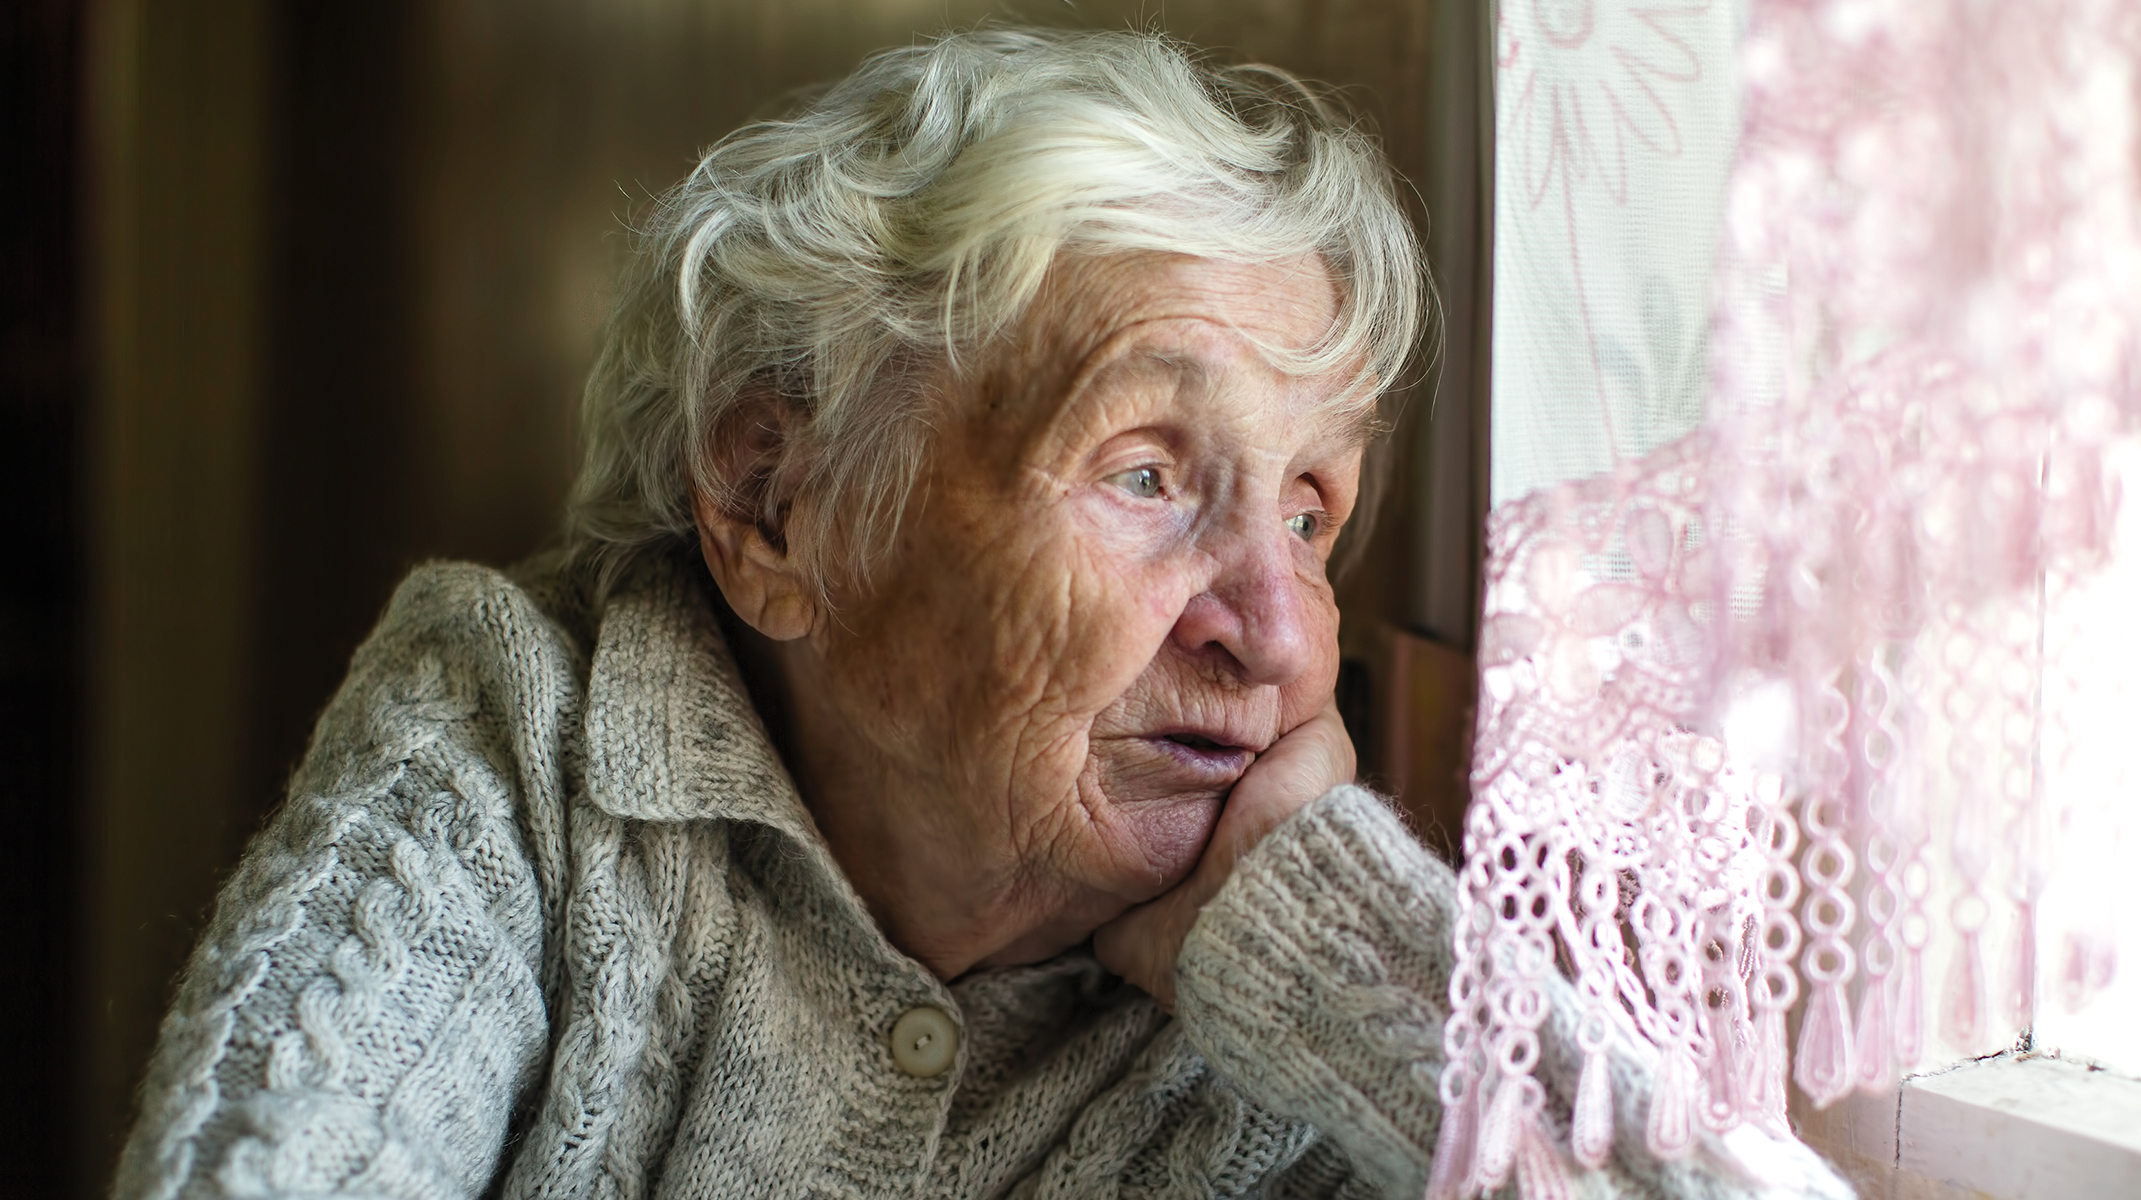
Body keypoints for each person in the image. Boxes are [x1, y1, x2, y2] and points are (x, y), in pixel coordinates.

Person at [112, 27, 1849, 1200]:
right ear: (777, 502)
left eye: (1312, 511)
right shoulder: (528, 734)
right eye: (1150, 474)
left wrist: (1351, 959)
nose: (1285, 638)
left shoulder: (1294, 979)